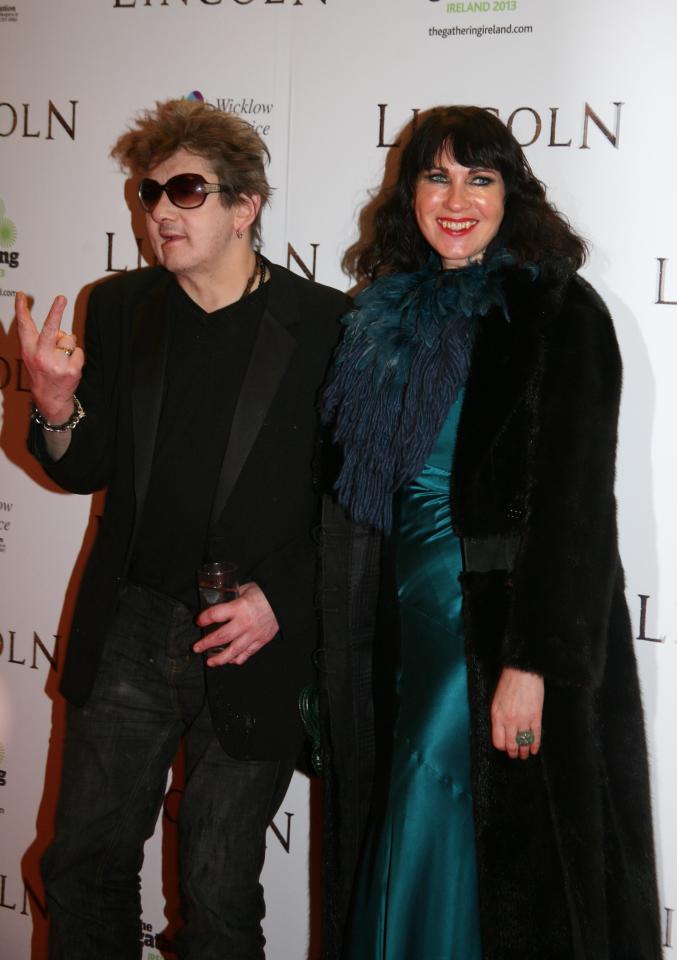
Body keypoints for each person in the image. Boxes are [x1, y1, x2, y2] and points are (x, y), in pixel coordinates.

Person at [318, 106, 661, 960]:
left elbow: (578, 508)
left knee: (486, 854)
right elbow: (347, 494)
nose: (456, 198)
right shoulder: (380, 319)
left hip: (498, 626)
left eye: (480, 177)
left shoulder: (555, 309)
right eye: (436, 176)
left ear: (513, 193)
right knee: (401, 821)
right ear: (409, 193)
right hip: (397, 620)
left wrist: (530, 663)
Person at [17, 98, 347, 960]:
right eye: (149, 190)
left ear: (246, 206)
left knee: (216, 886)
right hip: (129, 623)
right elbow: (82, 466)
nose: (158, 209)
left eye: (186, 190)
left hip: (252, 638)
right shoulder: (121, 308)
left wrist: (282, 598)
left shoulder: (329, 328)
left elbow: (355, 504)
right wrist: (54, 407)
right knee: (84, 865)